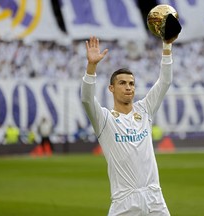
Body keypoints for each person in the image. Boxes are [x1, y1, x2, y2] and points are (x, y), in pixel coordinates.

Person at [81, 35, 176, 215]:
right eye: (122, 83)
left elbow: (165, 82)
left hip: (154, 198)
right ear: (111, 88)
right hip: (125, 202)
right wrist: (91, 67)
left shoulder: (145, 110)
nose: (128, 87)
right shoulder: (104, 119)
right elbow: (86, 99)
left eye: (132, 83)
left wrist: (167, 45)